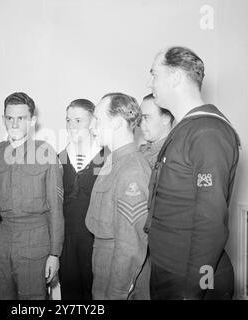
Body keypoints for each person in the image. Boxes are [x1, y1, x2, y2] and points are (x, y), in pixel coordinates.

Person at [145, 46, 241, 300]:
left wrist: (193, 290)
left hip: (188, 278)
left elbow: (210, 224)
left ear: (175, 77)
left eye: (155, 74)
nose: (150, 82)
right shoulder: (187, 128)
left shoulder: (207, 132)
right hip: (168, 269)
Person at [0, 92, 64, 300]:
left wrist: (54, 254)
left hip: (34, 244)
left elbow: (56, 208)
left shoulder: (46, 154)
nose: (14, 123)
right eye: (9, 118)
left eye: (21, 118)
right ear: (3, 120)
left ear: (32, 121)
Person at [85, 93, 151, 300]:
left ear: (115, 122)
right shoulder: (114, 160)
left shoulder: (132, 168)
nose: (91, 126)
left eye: (97, 119)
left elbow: (130, 245)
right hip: (105, 261)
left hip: (117, 270)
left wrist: (118, 292)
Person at [58, 99, 106, 300]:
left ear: (93, 122)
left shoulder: (106, 158)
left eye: (78, 120)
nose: (72, 126)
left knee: (94, 293)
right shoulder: (58, 158)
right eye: (69, 120)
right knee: (69, 292)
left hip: (96, 240)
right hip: (66, 241)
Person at [139, 94, 174, 169]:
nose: (141, 124)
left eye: (146, 117)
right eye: (140, 118)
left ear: (166, 118)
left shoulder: (173, 156)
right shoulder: (141, 150)